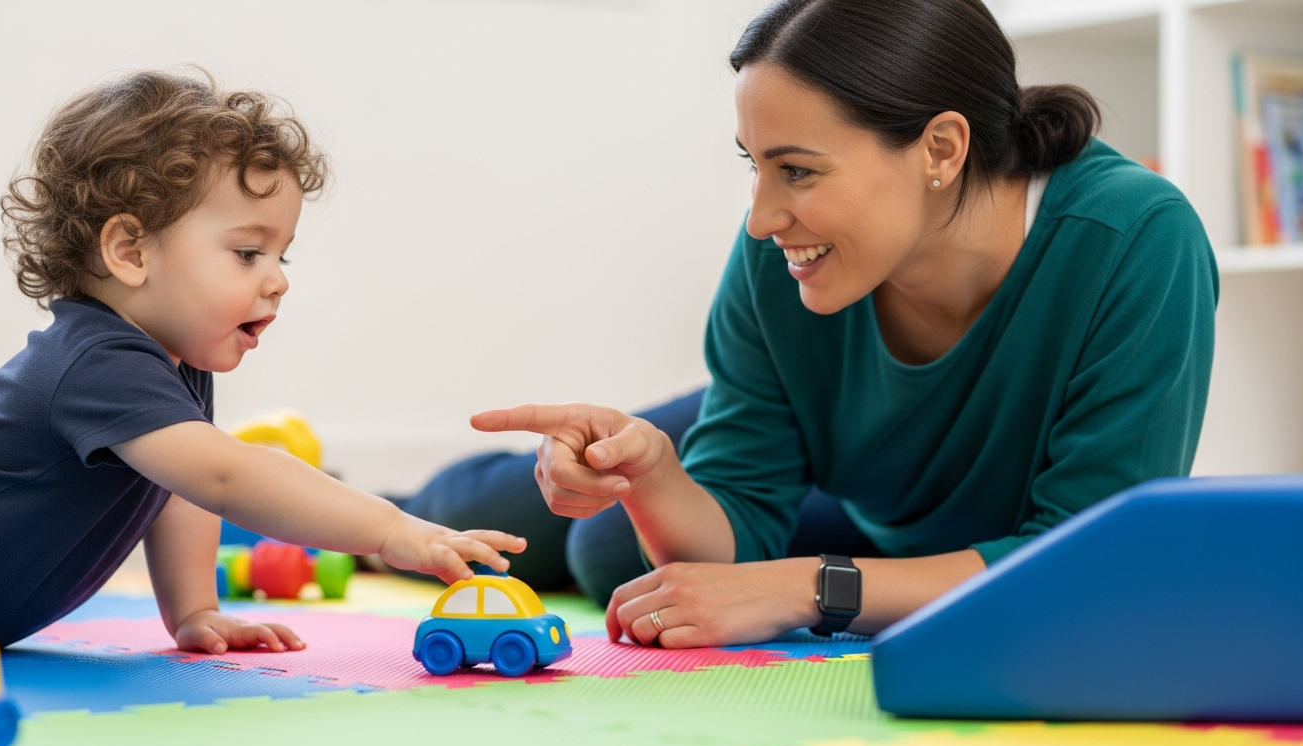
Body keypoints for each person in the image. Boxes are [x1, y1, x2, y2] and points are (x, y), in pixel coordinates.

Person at [416, 0, 1219, 648]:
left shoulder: (1135, 240)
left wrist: (809, 588)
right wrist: (657, 474)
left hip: (922, 518)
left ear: (941, 149)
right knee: (578, 530)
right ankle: (375, 498)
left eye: (797, 170)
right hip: (844, 467)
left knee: (611, 557)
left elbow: (1091, 566)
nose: (761, 220)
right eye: (754, 165)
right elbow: (726, 526)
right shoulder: (779, 257)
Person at [0, 70, 524, 651]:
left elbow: (186, 487)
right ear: (130, 250)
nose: (278, 281)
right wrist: (390, 531)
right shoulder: (98, 362)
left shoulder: (174, 363)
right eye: (249, 252)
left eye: (283, 257)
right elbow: (226, 477)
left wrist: (196, 610)